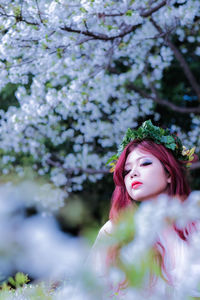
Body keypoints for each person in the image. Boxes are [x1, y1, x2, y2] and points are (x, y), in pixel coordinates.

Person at [88, 120, 199, 299]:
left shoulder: (194, 222)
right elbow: (91, 289)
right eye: (126, 170)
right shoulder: (114, 230)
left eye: (145, 163)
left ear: (169, 173)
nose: (133, 173)